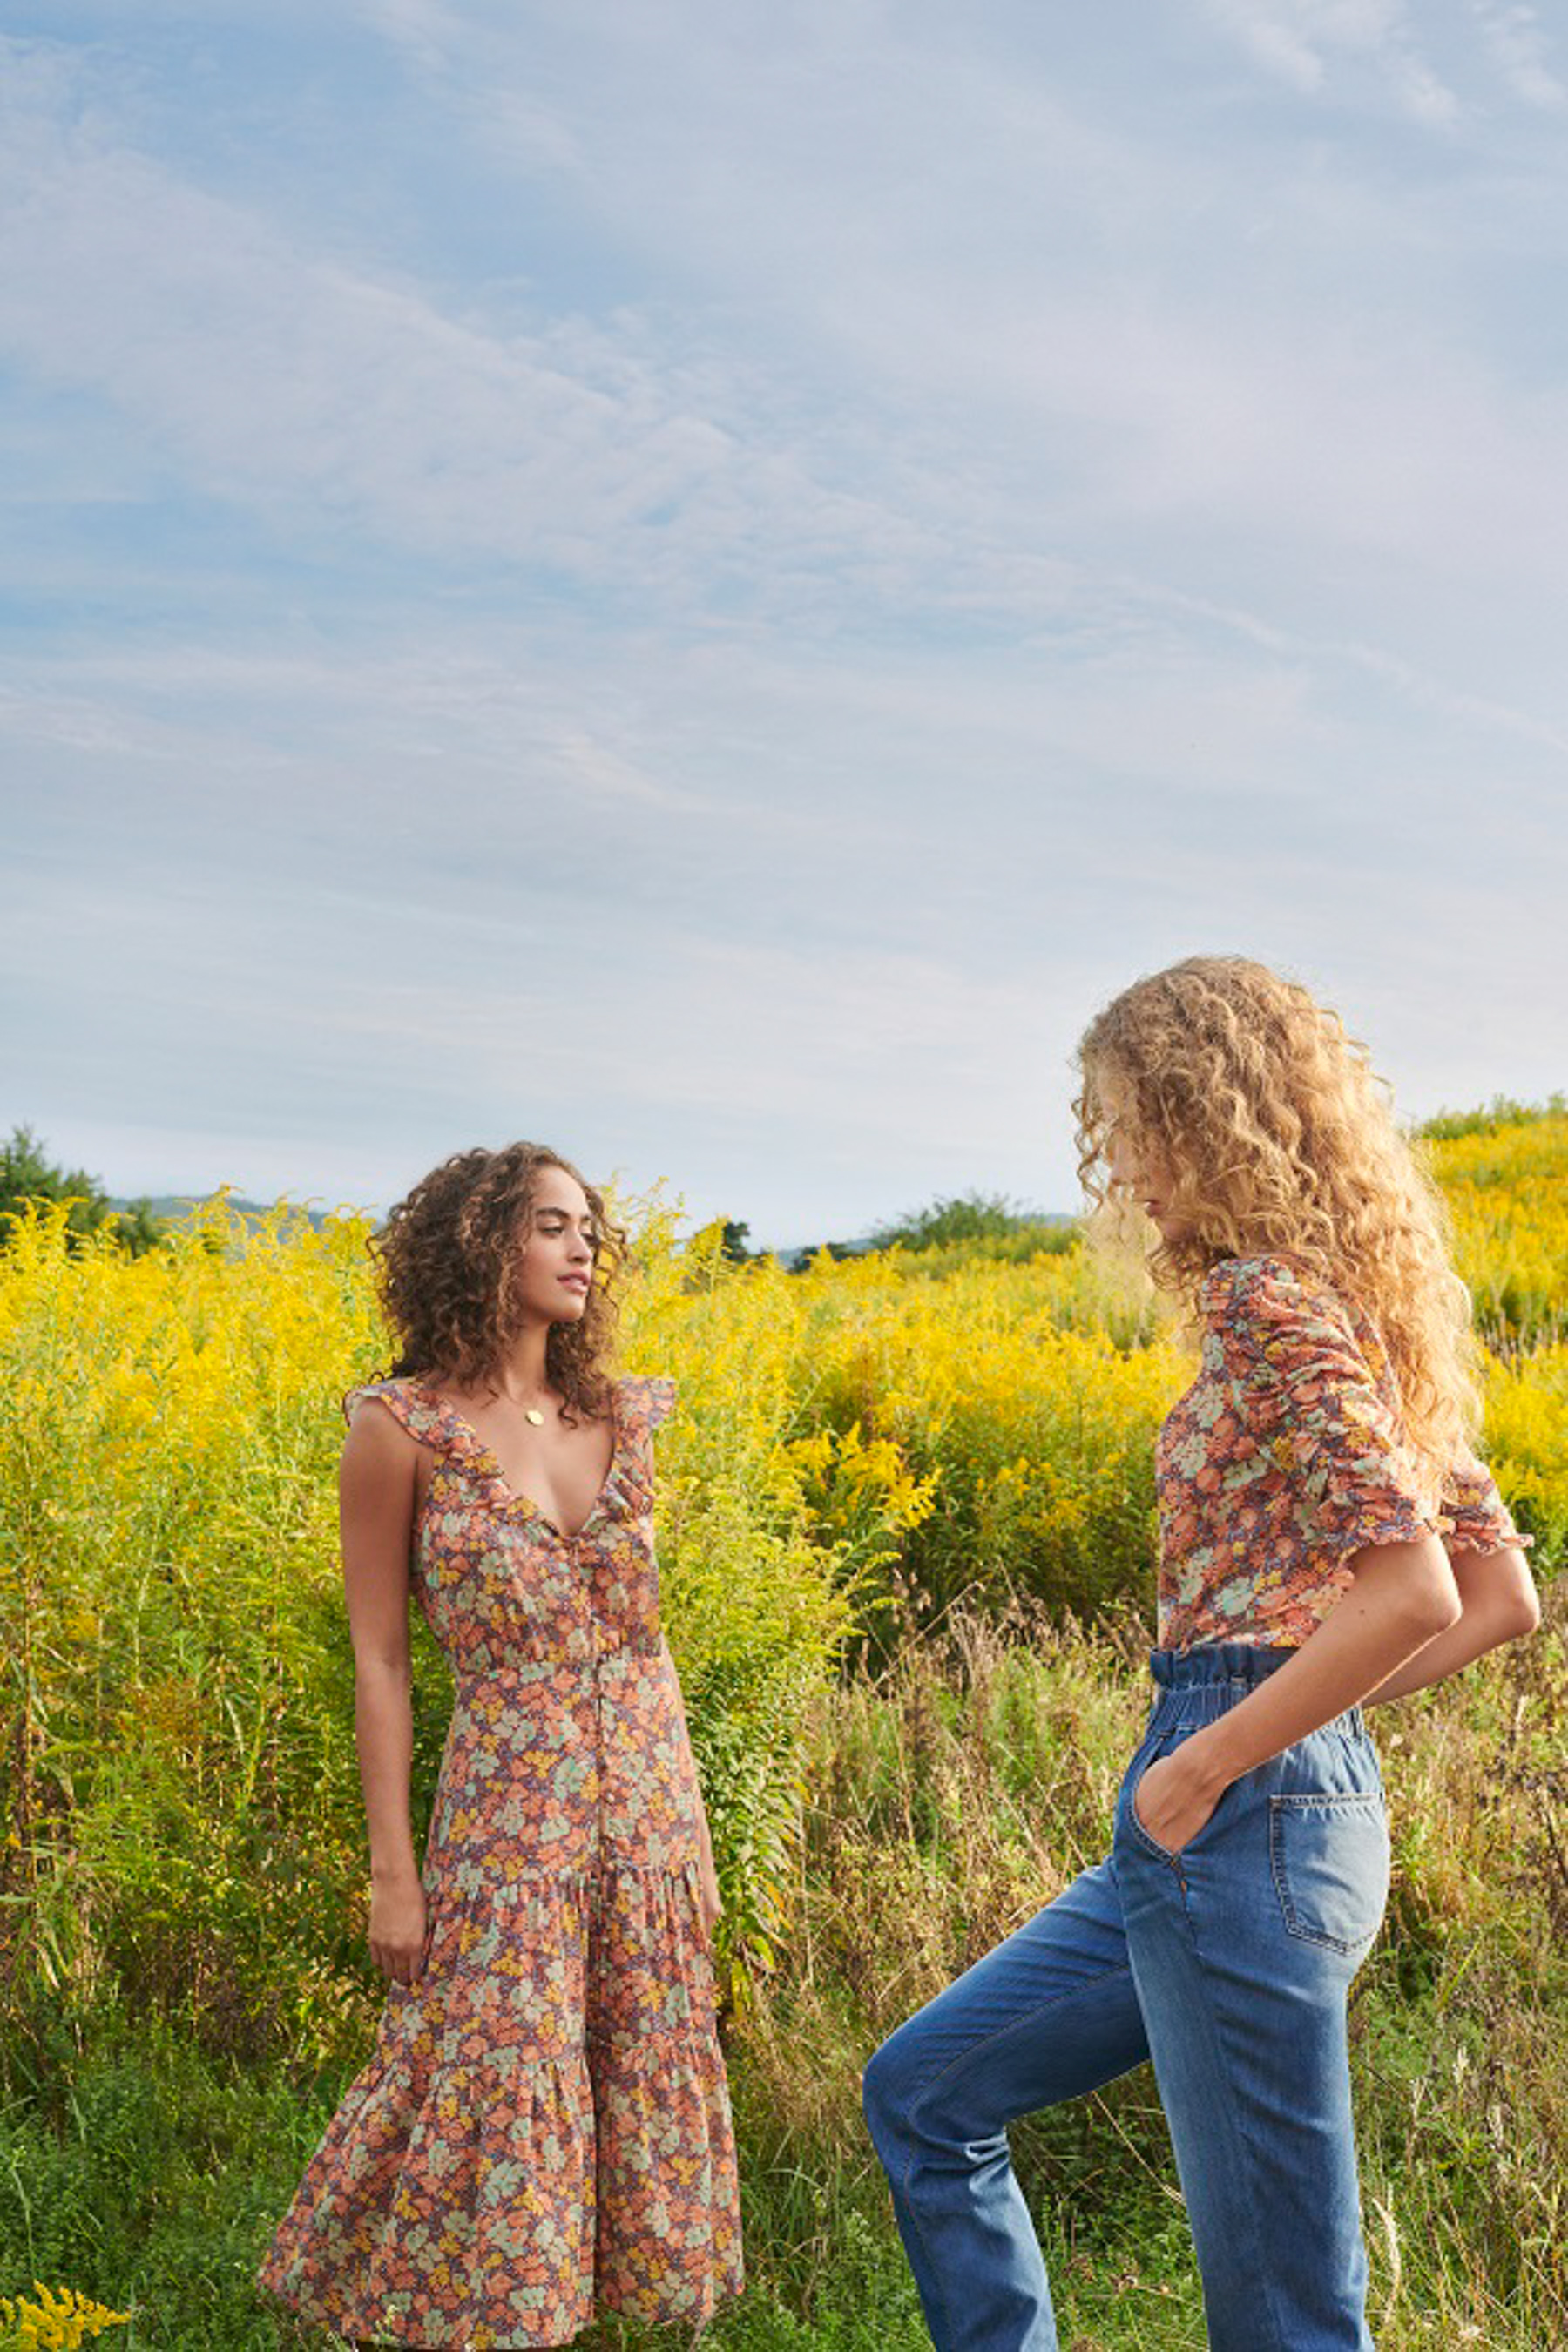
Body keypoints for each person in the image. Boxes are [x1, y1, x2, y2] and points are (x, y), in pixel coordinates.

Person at [862, 955, 1539, 2352]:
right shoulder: (1379, 1321)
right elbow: (1501, 1599)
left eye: (1144, 1130)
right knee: (924, 2092)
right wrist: (1309, 1716)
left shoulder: (1267, 1304)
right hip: (1262, 1800)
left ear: (1220, 1118)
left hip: (1233, 1810)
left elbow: (1421, 1593)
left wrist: (1225, 1751)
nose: (1130, 1172)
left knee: (1284, 2319)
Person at [260, 1144, 743, 2348]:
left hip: (643, 1806)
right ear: (481, 1246)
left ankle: (612, 2311)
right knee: (491, 2061)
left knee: (639, 2057)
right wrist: (393, 1872)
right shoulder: (400, 1429)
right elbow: (383, 1660)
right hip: (507, 1811)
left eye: (589, 1229)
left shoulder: (622, 1414)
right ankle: (461, 2313)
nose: (582, 1249)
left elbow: (650, 1642)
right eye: (549, 1226)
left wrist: (689, 1840)